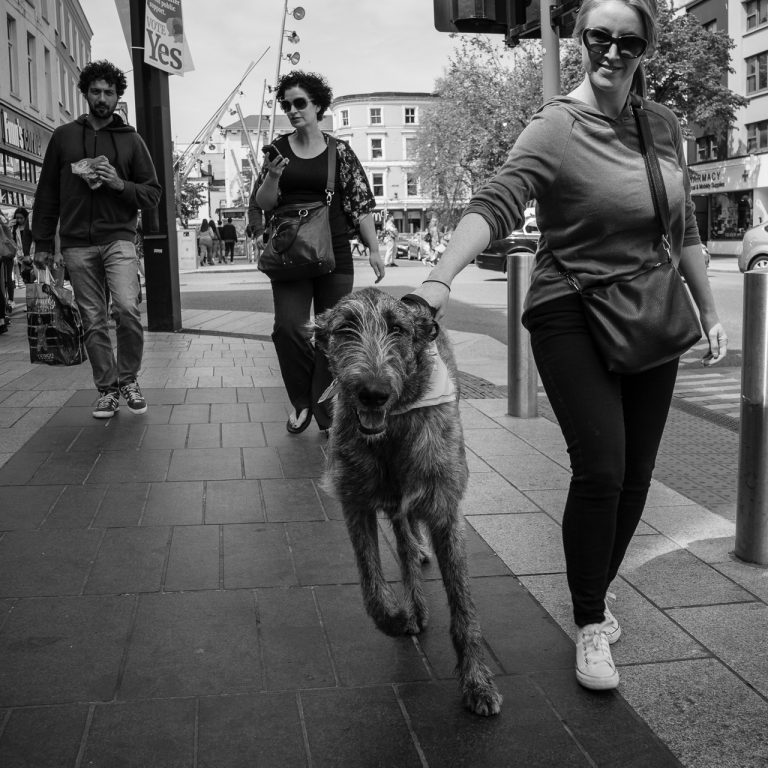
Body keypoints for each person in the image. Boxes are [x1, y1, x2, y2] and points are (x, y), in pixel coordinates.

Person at [411, 0, 727, 691]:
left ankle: (595, 587)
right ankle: (590, 622)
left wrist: (710, 311)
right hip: (570, 310)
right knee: (604, 470)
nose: (613, 52)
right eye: (600, 37)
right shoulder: (556, 124)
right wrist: (439, 279)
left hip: (648, 310)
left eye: (630, 40)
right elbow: (497, 201)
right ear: (582, 39)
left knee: (639, 475)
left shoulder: (664, 125)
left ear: (646, 47)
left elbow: (686, 231)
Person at [253, 70, 384, 435]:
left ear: (318, 107)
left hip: (335, 253)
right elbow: (263, 203)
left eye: (300, 103)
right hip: (289, 253)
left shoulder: (338, 151)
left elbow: (360, 203)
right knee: (289, 328)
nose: (293, 110)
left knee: (331, 334)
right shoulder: (276, 150)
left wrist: (374, 249)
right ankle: (302, 400)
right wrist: (273, 177)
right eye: (286, 105)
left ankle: (325, 410)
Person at [32, 59, 161, 419]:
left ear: (118, 96)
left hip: (118, 237)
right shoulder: (64, 137)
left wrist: (118, 183)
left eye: (109, 92)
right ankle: (107, 389)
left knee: (126, 309)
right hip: (75, 243)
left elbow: (152, 194)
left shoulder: (131, 140)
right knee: (93, 319)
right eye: (95, 91)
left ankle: (129, 378)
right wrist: (43, 243)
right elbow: (47, 194)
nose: (102, 97)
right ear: (85, 93)